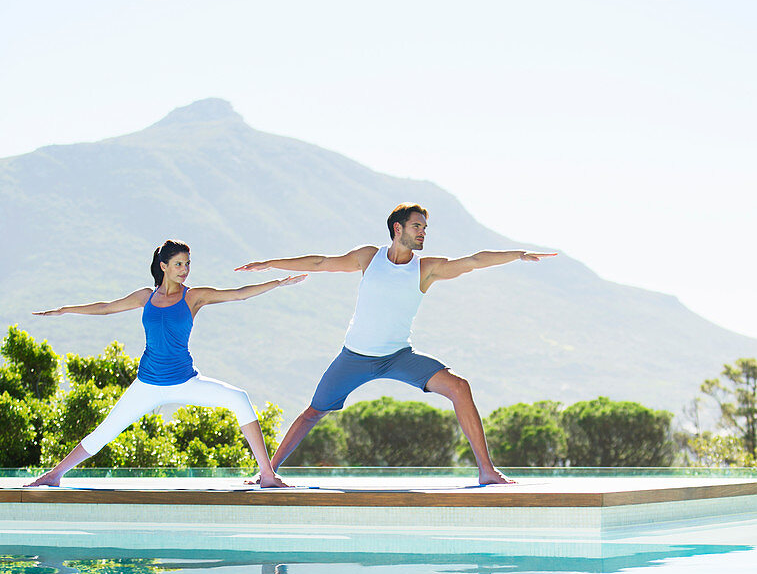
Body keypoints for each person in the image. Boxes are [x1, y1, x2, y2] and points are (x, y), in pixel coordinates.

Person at [236, 203, 556, 484]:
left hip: (399, 357)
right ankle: (268, 471)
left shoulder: (426, 269)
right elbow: (321, 262)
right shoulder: (368, 258)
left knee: (459, 387)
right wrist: (270, 264)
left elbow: (473, 260)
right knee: (312, 413)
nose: (423, 233)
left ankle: (487, 470)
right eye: (417, 226)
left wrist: (518, 255)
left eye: (425, 228)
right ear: (397, 228)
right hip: (354, 358)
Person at [27, 239, 305, 487]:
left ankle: (267, 475)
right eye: (178, 264)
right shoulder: (145, 297)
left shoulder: (194, 296)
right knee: (104, 432)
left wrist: (278, 283)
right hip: (147, 384)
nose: (184, 269)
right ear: (164, 266)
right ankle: (54, 474)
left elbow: (239, 293)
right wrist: (65, 310)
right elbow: (105, 307)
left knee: (240, 399)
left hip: (185, 381)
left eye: (187, 264)